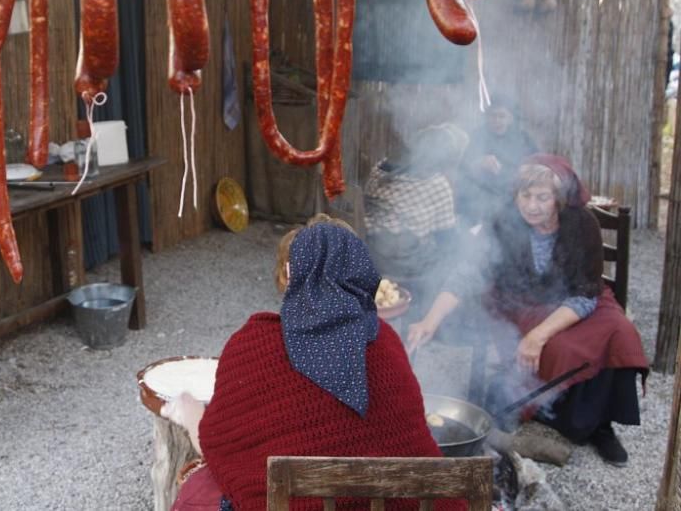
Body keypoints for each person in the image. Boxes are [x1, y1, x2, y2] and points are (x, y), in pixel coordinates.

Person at [163, 214, 463, 510]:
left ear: (290, 273)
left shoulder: (253, 344)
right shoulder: (386, 341)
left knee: (197, 493)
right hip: (406, 502)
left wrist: (190, 412)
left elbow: (220, 446)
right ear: (361, 274)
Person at [407, 155, 648, 467]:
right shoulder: (503, 221)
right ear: (515, 195)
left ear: (558, 198)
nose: (532, 206)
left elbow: (586, 293)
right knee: (562, 346)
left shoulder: (581, 223)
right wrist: (430, 319)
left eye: (542, 197)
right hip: (524, 302)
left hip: (579, 299)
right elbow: (468, 274)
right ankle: (568, 422)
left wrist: (537, 335)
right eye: (526, 196)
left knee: (621, 332)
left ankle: (602, 427)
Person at [363, 123, 469, 298]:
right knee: (453, 256)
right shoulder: (436, 183)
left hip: (374, 255)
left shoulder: (380, 169)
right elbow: (446, 237)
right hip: (409, 265)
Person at [456, 94, 539, 226]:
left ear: (510, 118)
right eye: (493, 116)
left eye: (502, 116)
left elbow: (537, 167)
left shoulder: (523, 139)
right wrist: (478, 163)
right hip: (483, 197)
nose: (497, 120)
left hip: (514, 196)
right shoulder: (477, 136)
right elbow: (462, 169)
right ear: (487, 117)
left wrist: (520, 172)